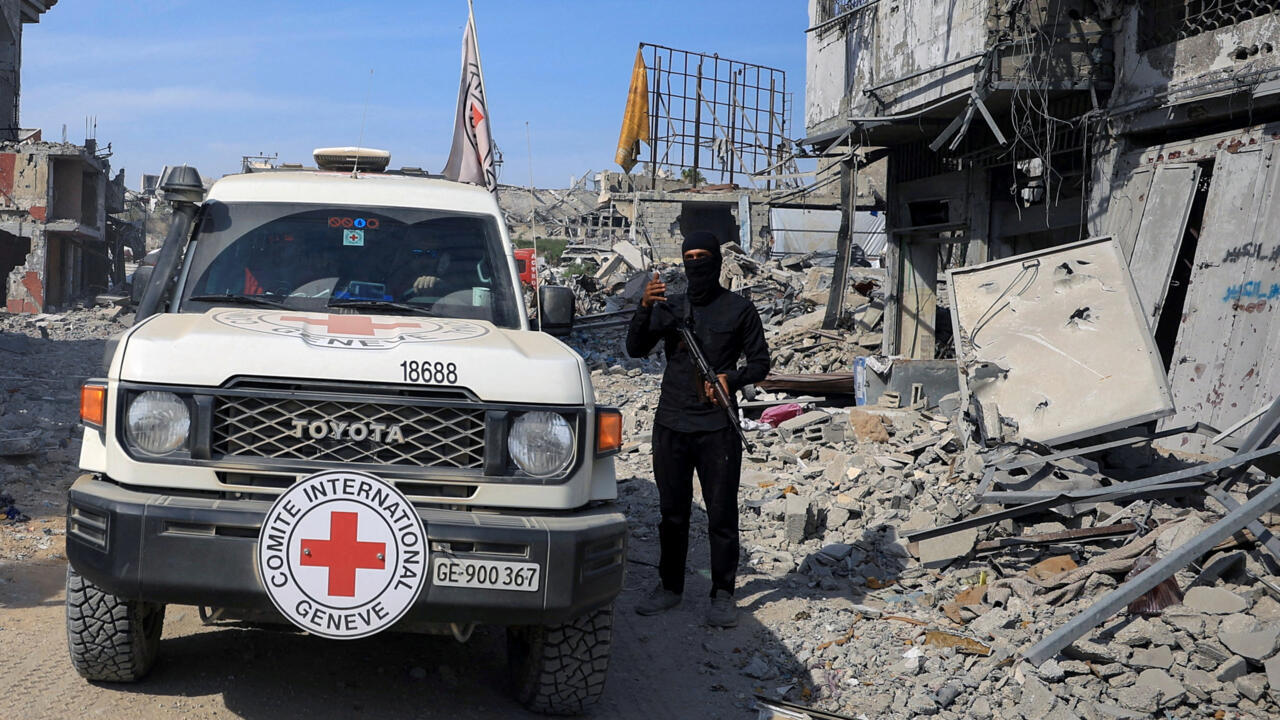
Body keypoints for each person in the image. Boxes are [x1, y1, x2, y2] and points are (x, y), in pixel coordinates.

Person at [625, 230, 770, 627]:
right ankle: (669, 588)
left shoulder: (739, 310)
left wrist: (730, 379)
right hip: (671, 423)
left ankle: (722, 593)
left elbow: (761, 363)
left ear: (716, 263)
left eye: (701, 256)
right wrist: (644, 308)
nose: (695, 264)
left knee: (721, 515)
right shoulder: (670, 308)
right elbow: (635, 349)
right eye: (688, 256)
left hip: (716, 428)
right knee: (673, 514)